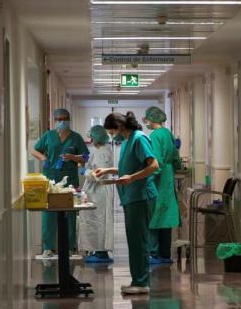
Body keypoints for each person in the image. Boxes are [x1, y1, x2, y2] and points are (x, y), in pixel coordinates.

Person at [92, 112, 158, 295]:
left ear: (120, 127)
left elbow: (153, 166)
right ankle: (138, 280)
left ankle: (142, 283)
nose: (112, 136)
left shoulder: (139, 139)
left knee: (139, 241)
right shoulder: (128, 141)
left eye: (112, 133)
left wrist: (132, 178)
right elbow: (129, 166)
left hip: (141, 196)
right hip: (132, 196)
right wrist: (109, 170)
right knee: (134, 240)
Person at [30, 108, 89, 260]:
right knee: (48, 214)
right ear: (55, 120)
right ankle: (48, 248)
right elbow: (35, 150)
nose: (62, 121)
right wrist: (44, 159)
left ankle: (69, 248)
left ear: (69, 119)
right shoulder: (49, 135)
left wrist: (73, 157)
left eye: (65, 118)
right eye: (59, 119)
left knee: (70, 214)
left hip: (70, 181)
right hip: (51, 179)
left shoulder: (76, 137)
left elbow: (85, 157)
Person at [144, 106, 181, 265]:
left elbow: (156, 161)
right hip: (168, 177)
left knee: (154, 217)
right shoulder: (167, 133)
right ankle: (165, 254)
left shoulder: (155, 135)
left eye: (147, 119)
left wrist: (148, 178)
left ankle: (154, 253)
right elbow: (175, 157)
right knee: (165, 218)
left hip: (158, 180)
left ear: (151, 120)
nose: (147, 122)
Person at [81, 125, 116, 264]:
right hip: (98, 191)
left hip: (98, 191)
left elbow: (99, 175)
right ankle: (99, 251)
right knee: (97, 220)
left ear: (98, 137)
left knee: (99, 221)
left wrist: (85, 172)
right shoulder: (101, 150)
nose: (91, 140)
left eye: (92, 137)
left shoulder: (101, 152)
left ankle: (101, 252)